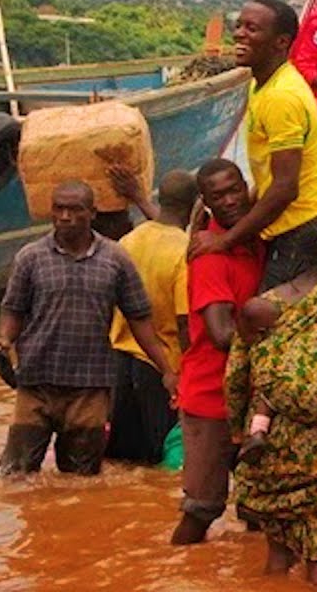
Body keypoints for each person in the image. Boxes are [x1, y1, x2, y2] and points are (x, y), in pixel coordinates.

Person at [0, 181, 177, 477]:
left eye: (74, 209)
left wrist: (166, 369)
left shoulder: (116, 260)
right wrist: (5, 340)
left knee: (81, 480)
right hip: (36, 382)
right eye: (58, 209)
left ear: (92, 213)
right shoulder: (30, 257)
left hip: (89, 387)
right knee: (14, 475)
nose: (65, 216)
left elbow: (139, 319)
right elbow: (13, 308)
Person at [225, 244, 317, 586]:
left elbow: (236, 376)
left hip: (269, 444)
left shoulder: (262, 309)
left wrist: (239, 431)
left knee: (277, 554)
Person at [190, 0, 317, 291]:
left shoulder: (281, 97)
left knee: (269, 322)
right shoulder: (261, 83)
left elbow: (285, 187)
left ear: (281, 42)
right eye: (238, 25)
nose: (239, 34)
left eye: (252, 29)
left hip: (306, 225)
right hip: (301, 220)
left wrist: (225, 240)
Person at [171, 159, 265, 546]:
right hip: (211, 397)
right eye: (218, 196)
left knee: (261, 507)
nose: (229, 201)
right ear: (206, 204)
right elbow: (221, 333)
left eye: (234, 190)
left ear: (246, 188)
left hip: (247, 396)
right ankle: (176, 569)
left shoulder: (255, 242)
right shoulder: (211, 257)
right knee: (202, 508)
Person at [104, 170, 198, 464]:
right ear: (195, 206)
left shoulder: (127, 242)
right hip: (162, 366)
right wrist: (186, 374)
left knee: (121, 458)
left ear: (161, 198)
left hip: (119, 360)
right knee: (160, 456)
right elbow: (184, 322)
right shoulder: (184, 252)